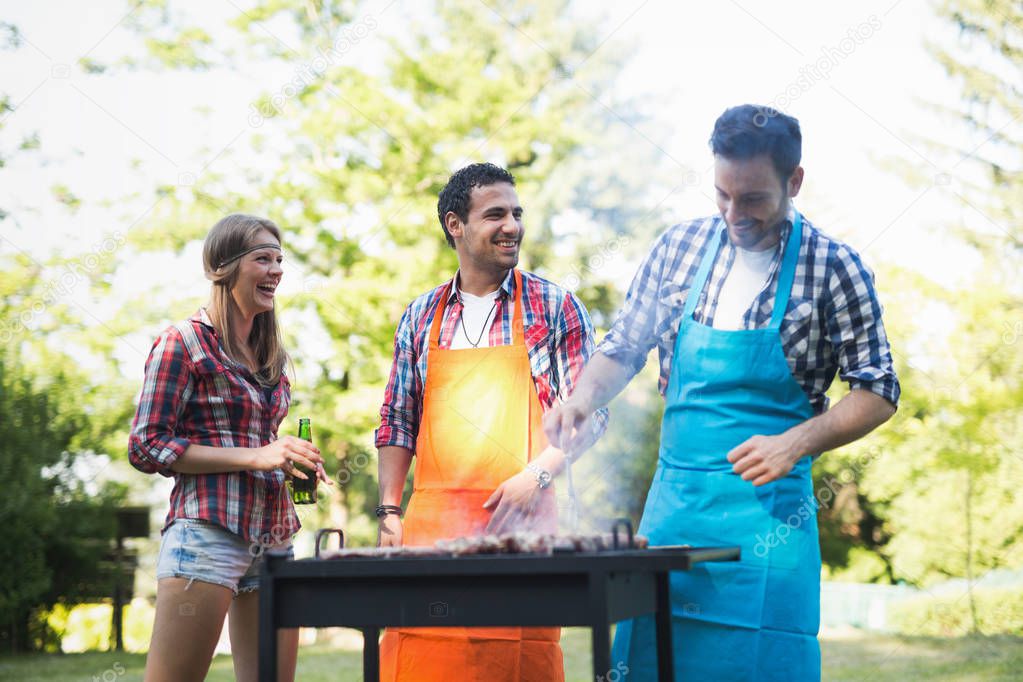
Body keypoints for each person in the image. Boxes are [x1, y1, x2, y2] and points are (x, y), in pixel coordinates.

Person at [544, 105, 900, 681]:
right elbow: (623, 347)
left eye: (753, 198)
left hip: (770, 527)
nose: (735, 213)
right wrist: (584, 398)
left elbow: (879, 389)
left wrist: (795, 443)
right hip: (675, 516)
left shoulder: (835, 267)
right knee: (653, 662)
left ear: (795, 181)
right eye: (722, 195)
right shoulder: (679, 248)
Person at [374, 162, 608, 681]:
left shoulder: (554, 307)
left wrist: (537, 476)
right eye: (496, 214)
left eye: (517, 213)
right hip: (432, 535)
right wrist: (390, 508)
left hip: (519, 533)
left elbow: (591, 415)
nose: (513, 226)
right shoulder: (420, 315)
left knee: (519, 662)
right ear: (455, 225)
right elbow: (397, 419)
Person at [129, 213, 331, 682]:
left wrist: (287, 458)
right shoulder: (182, 343)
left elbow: (259, 446)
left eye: (280, 260)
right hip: (207, 535)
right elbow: (146, 444)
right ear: (225, 266)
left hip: (274, 537)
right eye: (263, 258)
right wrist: (259, 455)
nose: (277, 270)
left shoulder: (270, 355)